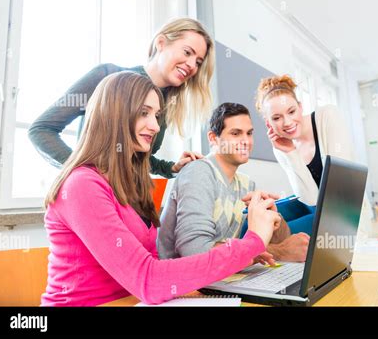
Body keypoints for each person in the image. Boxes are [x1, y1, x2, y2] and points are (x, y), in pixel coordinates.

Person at [41, 72, 280, 306]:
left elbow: (155, 267)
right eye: (144, 113)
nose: (155, 126)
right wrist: (252, 241)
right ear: (114, 114)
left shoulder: (131, 183)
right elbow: (148, 278)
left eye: (157, 115)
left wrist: (244, 253)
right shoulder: (81, 185)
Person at [29, 17, 214, 178]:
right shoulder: (107, 76)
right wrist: (82, 173)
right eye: (187, 52)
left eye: (198, 62)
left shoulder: (163, 104)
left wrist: (171, 168)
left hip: (126, 202)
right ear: (161, 43)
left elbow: (139, 160)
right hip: (93, 200)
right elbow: (41, 129)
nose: (191, 65)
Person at [158, 103, 310, 263]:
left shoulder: (246, 184)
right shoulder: (199, 172)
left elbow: (281, 242)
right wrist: (279, 252)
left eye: (249, 133)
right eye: (236, 133)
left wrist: (273, 217)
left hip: (222, 276)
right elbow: (194, 252)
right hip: (183, 281)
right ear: (213, 138)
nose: (246, 141)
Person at [255, 74, 372, 238]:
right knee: (263, 224)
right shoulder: (281, 147)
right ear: (269, 123)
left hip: (345, 213)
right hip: (316, 208)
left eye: (291, 111)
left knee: (279, 233)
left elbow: (340, 189)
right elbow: (309, 199)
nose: (287, 122)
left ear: (300, 107)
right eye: (277, 118)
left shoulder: (327, 116)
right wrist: (290, 152)